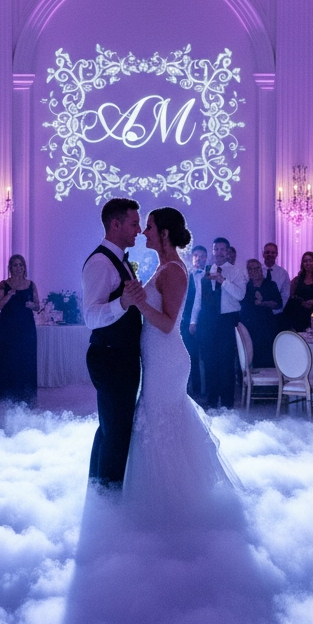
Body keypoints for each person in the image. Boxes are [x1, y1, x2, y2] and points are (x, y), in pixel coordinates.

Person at [123, 206, 236, 524]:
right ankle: (163, 498)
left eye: (149, 227)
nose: (144, 232)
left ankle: (172, 505)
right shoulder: (164, 267)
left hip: (167, 360)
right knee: (160, 424)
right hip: (159, 360)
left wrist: (138, 300)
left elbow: (168, 323)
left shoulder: (173, 269)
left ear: (164, 233)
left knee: (161, 424)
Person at [82, 197, 145, 488]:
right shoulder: (99, 262)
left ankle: (99, 492)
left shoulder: (120, 260)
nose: (139, 229)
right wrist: (123, 302)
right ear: (116, 224)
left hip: (121, 358)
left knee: (111, 429)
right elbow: (91, 316)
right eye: (134, 223)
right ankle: (108, 498)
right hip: (110, 359)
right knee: (117, 432)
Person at [190, 237, 246, 409]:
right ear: (212, 251)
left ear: (228, 252)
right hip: (208, 321)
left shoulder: (236, 272)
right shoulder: (205, 271)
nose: (219, 253)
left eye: (222, 249)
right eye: (216, 249)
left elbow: (240, 296)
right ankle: (212, 401)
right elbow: (198, 300)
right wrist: (193, 321)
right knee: (209, 362)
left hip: (227, 321)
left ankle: (228, 403)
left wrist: (223, 281)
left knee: (226, 362)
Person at [0, 254, 40, 405]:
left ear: (24, 267)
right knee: (9, 358)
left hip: (26, 326)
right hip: (8, 327)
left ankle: (26, 393)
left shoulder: (31, 284)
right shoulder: (3, 284)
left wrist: (31, 305)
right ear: (10, 267)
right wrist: (8, 295)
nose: (18, 268)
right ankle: (8, 393)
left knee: (26, 358)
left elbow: (37, 305)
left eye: (21, 265)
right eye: (15, 265)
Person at [240, 259, 281, 367]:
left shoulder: (270, 284)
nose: (253, 271)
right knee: (252, 357)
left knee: (268, 357)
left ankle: (270, 382)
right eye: (250, 269)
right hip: (250, 326)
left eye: (256, 268)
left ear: (261, 269)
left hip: (267, 325)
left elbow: (278, 303)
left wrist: (263, 303)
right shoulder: (245, 286)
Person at [180, 244, 207, 398]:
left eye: (203, 256)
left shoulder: (210, 275)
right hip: (186, 323)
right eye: (197, 256)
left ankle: (204, 392)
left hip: (206, 323)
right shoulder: (186, 276)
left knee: (206, 358)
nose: (200, 259)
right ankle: (191, 392)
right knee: (190, 358)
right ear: (192, 257)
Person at [282, 251, 313, 332]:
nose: (308, 263)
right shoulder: (297, 279)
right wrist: (300, 302)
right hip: (298, 313)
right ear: (302, 264)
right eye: (305, 261)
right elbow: (290, 296)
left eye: (310, 260)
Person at [261, 242, 291, 317]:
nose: (270, 255)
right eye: (267, 252)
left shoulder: (283, 273)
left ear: (276, 254)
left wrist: (278, 309)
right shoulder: (257, 271)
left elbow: (285, 294)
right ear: (263, 254)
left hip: (277, 314)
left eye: (273, 253)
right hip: (259, 313)